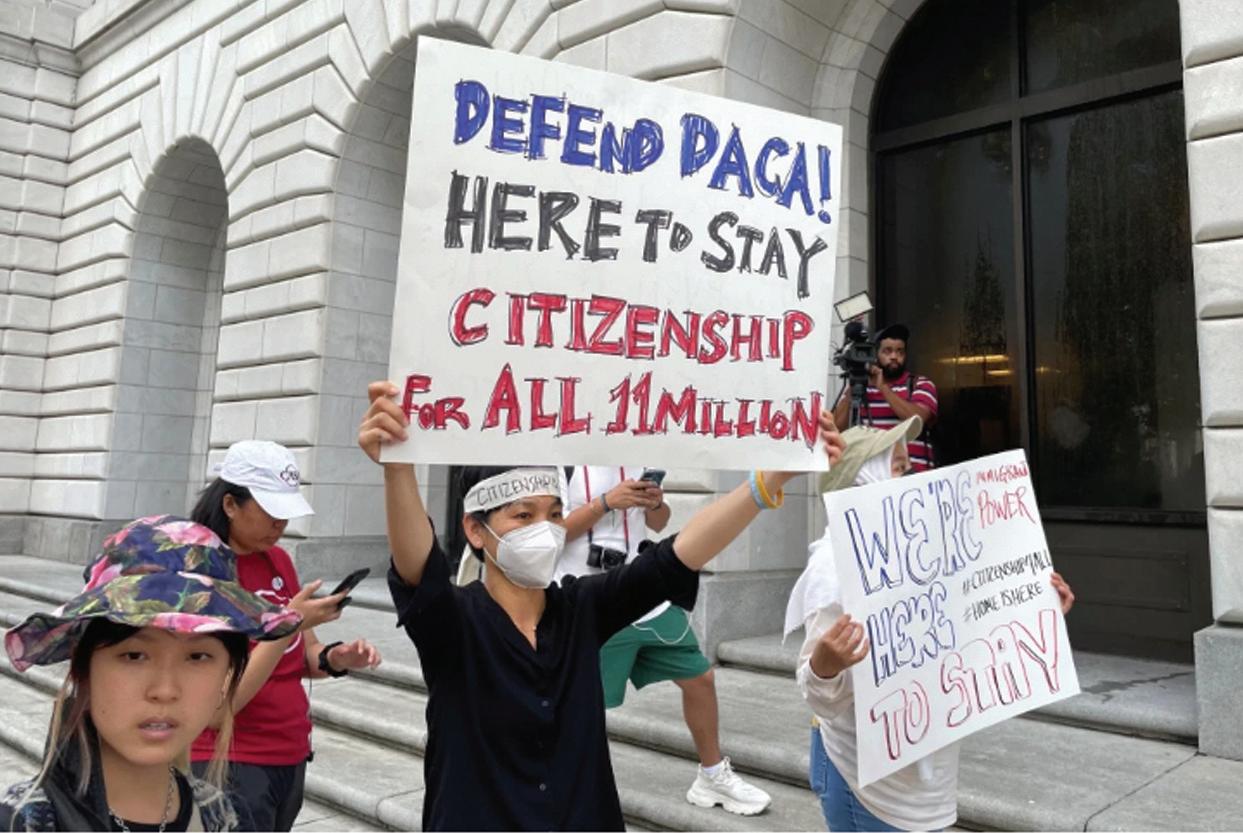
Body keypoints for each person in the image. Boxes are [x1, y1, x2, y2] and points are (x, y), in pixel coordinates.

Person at [357, 380, 845, 831]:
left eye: (554, 514)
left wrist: (773, 477)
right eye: (522, 516)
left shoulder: (580, 609)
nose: (543, 529)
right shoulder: (453, 623)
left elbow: (678, 554)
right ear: (474, 531)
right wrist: (398, 468)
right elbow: (418, 565)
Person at [787, 419, 1076, 831]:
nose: (914, 478)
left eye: (909, 467)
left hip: (925, 775)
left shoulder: (931, 555)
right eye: (899, 469)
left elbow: (970, 634)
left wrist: (1034, 612)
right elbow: (820, 697)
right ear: (863, 481)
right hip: (865, 782)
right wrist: (826, 666)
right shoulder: (833, 568)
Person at [0, 515, 304, 832]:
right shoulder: (24, 823)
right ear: (83, 667)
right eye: (134, 655)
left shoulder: (228, 819)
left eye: (198, 656)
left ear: (227, 673)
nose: (165, 690)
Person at [189, 440, 382, 832]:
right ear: (230, 504)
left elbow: (302, 655)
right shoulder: (202, 571)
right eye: (270, 512)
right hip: (230, 759)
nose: (280, 525)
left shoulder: (278, 560)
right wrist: (287, 622)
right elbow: (220, 707)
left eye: (286, 513)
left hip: (289, 752)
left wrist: (336, 658)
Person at [557, 466, 771, 815]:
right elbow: (550, 534)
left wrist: (655, 504)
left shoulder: (637, 455)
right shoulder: (560, 460)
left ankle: (712, 775)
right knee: (582, 704)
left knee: (700, 677)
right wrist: (606, 502)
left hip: (644, 591)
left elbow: (659, 523)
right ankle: (562, 789)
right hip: (587, 595)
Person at [831, 323, 938, 470]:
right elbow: (837, 429)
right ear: (875, 355)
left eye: (900, 351)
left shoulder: (920, 384)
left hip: (913, 475)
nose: (894, 357)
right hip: (874, 476)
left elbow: (917, 419)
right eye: (887, 351)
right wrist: (854, 384)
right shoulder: (860, 389)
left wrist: (883, 388)